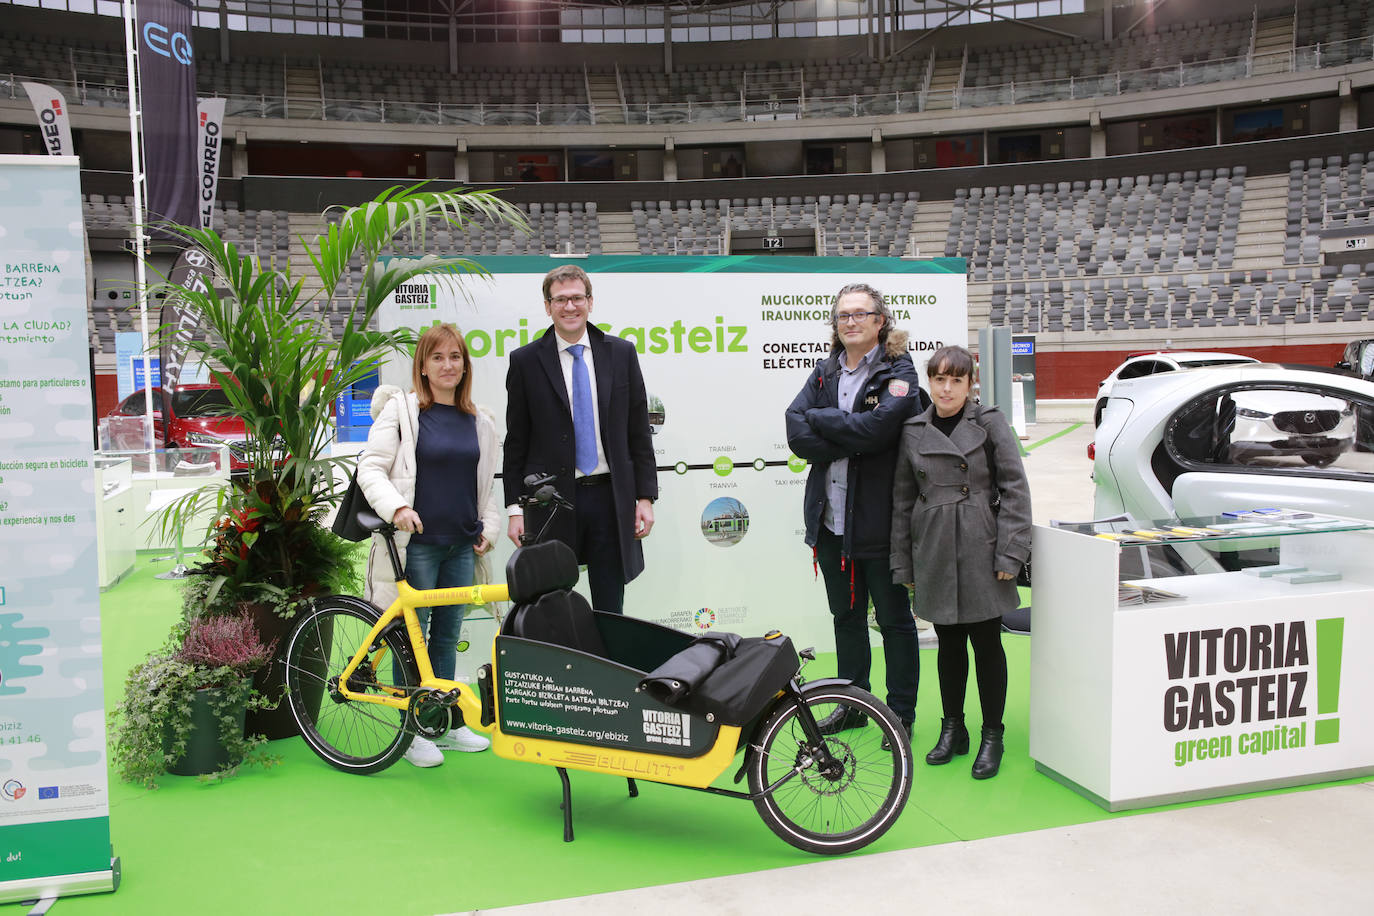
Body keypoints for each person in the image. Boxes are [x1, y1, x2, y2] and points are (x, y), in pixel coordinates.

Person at [785, 283, 927, 741]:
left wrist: (825, 422)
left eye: (860, 314)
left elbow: (876, 431)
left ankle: (900, 714)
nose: (850, 322)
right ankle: (853, 704)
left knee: (894, 622)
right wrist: (850, 431)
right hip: (831, 523)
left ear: (879, 321)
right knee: (846, 618)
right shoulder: (824, 371)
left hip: (879, 524)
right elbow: (795, 429)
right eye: (843, 315)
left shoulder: (899, 371)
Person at [357, 323, 501, 768]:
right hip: (415, 545)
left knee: (446, 635)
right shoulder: (401, 411)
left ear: (465, 364)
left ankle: (444, 719)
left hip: (460, 545)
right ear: (422, 365)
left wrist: (487, 527)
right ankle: (412, 728)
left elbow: (485, 488)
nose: (447, 365)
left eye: (455, 357)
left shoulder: (480, 419)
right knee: (410, 638)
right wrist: (398, 508)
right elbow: (371, 468)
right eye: (437, 357)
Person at [890, 345, 1031, 779]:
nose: (946, 388)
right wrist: (904, 564)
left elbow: (1015, 489)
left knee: (987, 643)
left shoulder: (988, 423)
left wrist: (1011, 551)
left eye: (956, 380)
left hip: (981, 545)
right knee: (948, 644)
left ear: (971, 384)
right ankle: (953, 729)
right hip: (932, 545)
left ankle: (992, 735)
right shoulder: (914, 429)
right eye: (938, 379)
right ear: (928, 382)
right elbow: (902, 500)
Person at [503, 264, 658, 614]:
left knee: (609, 607)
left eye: (576, 298)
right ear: (547, 306)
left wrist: (645, 497)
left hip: (609, 499)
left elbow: (638, 432)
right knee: (551, 606)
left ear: (590, 302)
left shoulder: (621, 353)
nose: (569, 307)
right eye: (560, 300)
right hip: (550, 503)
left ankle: (607, 667)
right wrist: (516, 509)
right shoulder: (525, 362)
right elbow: (516, 442)